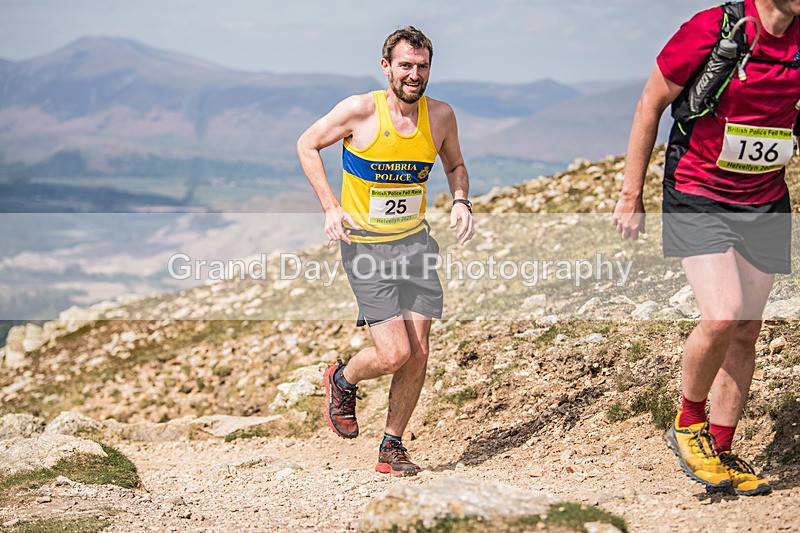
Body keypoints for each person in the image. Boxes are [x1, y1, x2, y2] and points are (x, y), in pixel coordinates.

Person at [613, 0, 800, 496]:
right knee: (722, 315)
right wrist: (633, 193)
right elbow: (650, 103)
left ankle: (719, 448)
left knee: (745, 331)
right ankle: (689, 422)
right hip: (698, 190)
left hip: (765, 196)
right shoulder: (712, 28)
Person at [296, 26, 474, 476]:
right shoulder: (360, 110)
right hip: (368, 249)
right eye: (405, 66)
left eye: (422, 67)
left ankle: (391, 446)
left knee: (419, 352)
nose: (414, 75)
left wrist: (461, 201)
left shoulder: (442, 116)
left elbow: (455, 163)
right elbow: (307, 144)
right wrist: (330, 206)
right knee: (394, 353)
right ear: (386, 68)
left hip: (415, 245)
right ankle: (343, 378)